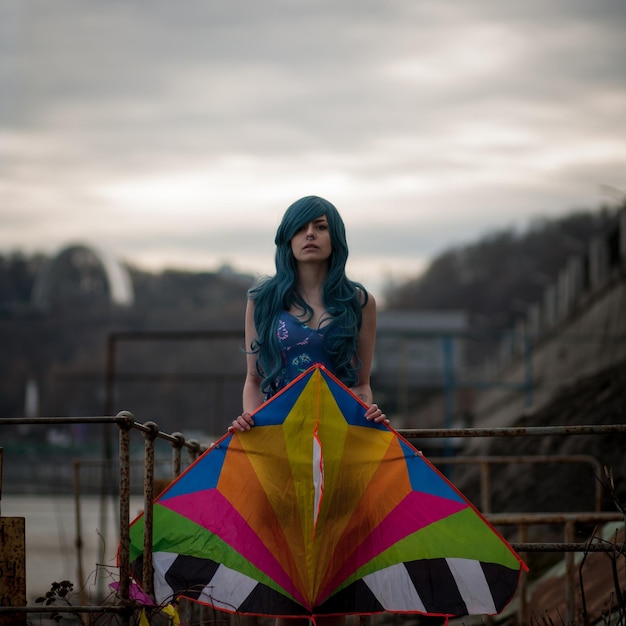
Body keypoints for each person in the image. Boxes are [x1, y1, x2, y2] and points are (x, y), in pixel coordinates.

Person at [230, 195, 387, 626]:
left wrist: (367, 412)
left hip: (337, 448)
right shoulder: (262, 299)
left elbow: (360, 382)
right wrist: (252, 421)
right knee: (290, 579)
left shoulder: (359, 302)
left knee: (331, 577)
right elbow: (254, 380)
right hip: (279, 447)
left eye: (319, 226)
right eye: (301, 228)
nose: (311, 235)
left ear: (334, 236)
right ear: (288, 239)